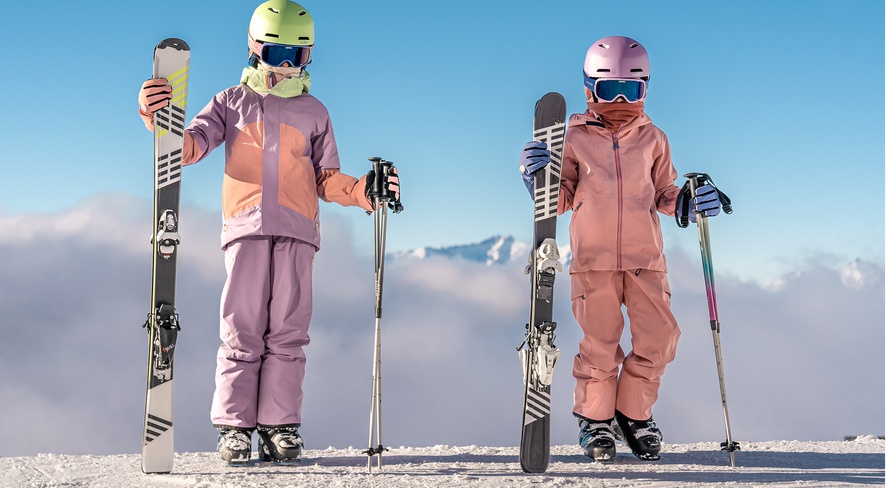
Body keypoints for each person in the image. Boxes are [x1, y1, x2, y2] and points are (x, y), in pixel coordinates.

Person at [137, 0, 399, 465]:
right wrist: (160, 119)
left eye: (294, 57)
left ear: (308, 58)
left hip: (298, 234)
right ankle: (235, 428)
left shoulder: (315, 111)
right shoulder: (229, 102)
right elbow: (192, 146)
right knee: (242, 329)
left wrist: (363, 191)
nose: (283, 67)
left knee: (289, 332)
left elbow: (326, 179)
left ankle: (280, 425)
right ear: (255, 49)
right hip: (246, 229)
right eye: (275, 53)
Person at [519, 36, 721, 463]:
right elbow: (558, 202)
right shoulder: (572, 137)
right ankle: (595, 421)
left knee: (661, 339)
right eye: (611, 91)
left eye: (633, 90)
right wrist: (538, 177)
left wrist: (688, 200)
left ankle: (631, 413)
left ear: (646, 89)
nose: (622, 100)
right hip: (593, 262)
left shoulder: (654, 138)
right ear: (590, 89)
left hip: (646, 260)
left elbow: (664, 192)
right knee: (600, 344)